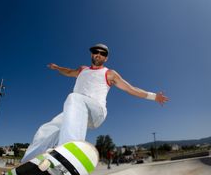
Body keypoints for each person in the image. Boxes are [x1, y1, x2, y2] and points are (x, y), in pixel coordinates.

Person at [21, 43, 169, 163]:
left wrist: (154, 96)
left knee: (74, 97)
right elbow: (68, 72)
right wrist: (57, 68)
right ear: (92, 54)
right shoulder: (82, 70)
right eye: (95, 52)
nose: (98, 54)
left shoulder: (109, 73)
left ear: (106, 58)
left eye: (102, 53)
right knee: (47, 129)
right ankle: (27, 163)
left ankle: (69, 153)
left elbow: (131, 89)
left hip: (96, 112)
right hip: (75, 112)